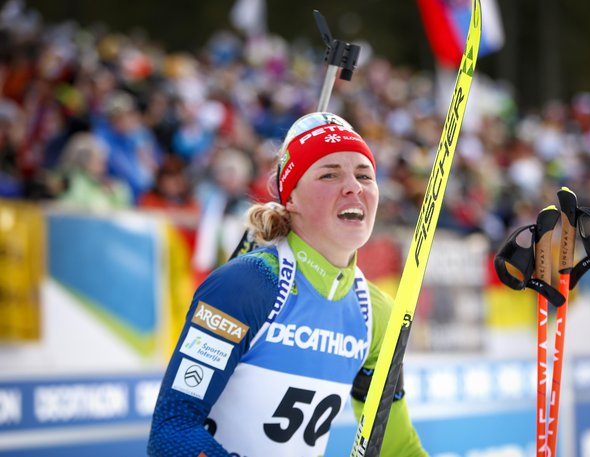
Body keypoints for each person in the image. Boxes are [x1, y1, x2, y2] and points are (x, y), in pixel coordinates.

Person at [147, 112, 428, 456]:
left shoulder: (377, 314)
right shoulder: (249, 284)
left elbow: (395, 448)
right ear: (290, 198)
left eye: (364, 175)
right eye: (329, 174)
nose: (354, 186)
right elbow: (171, 431)